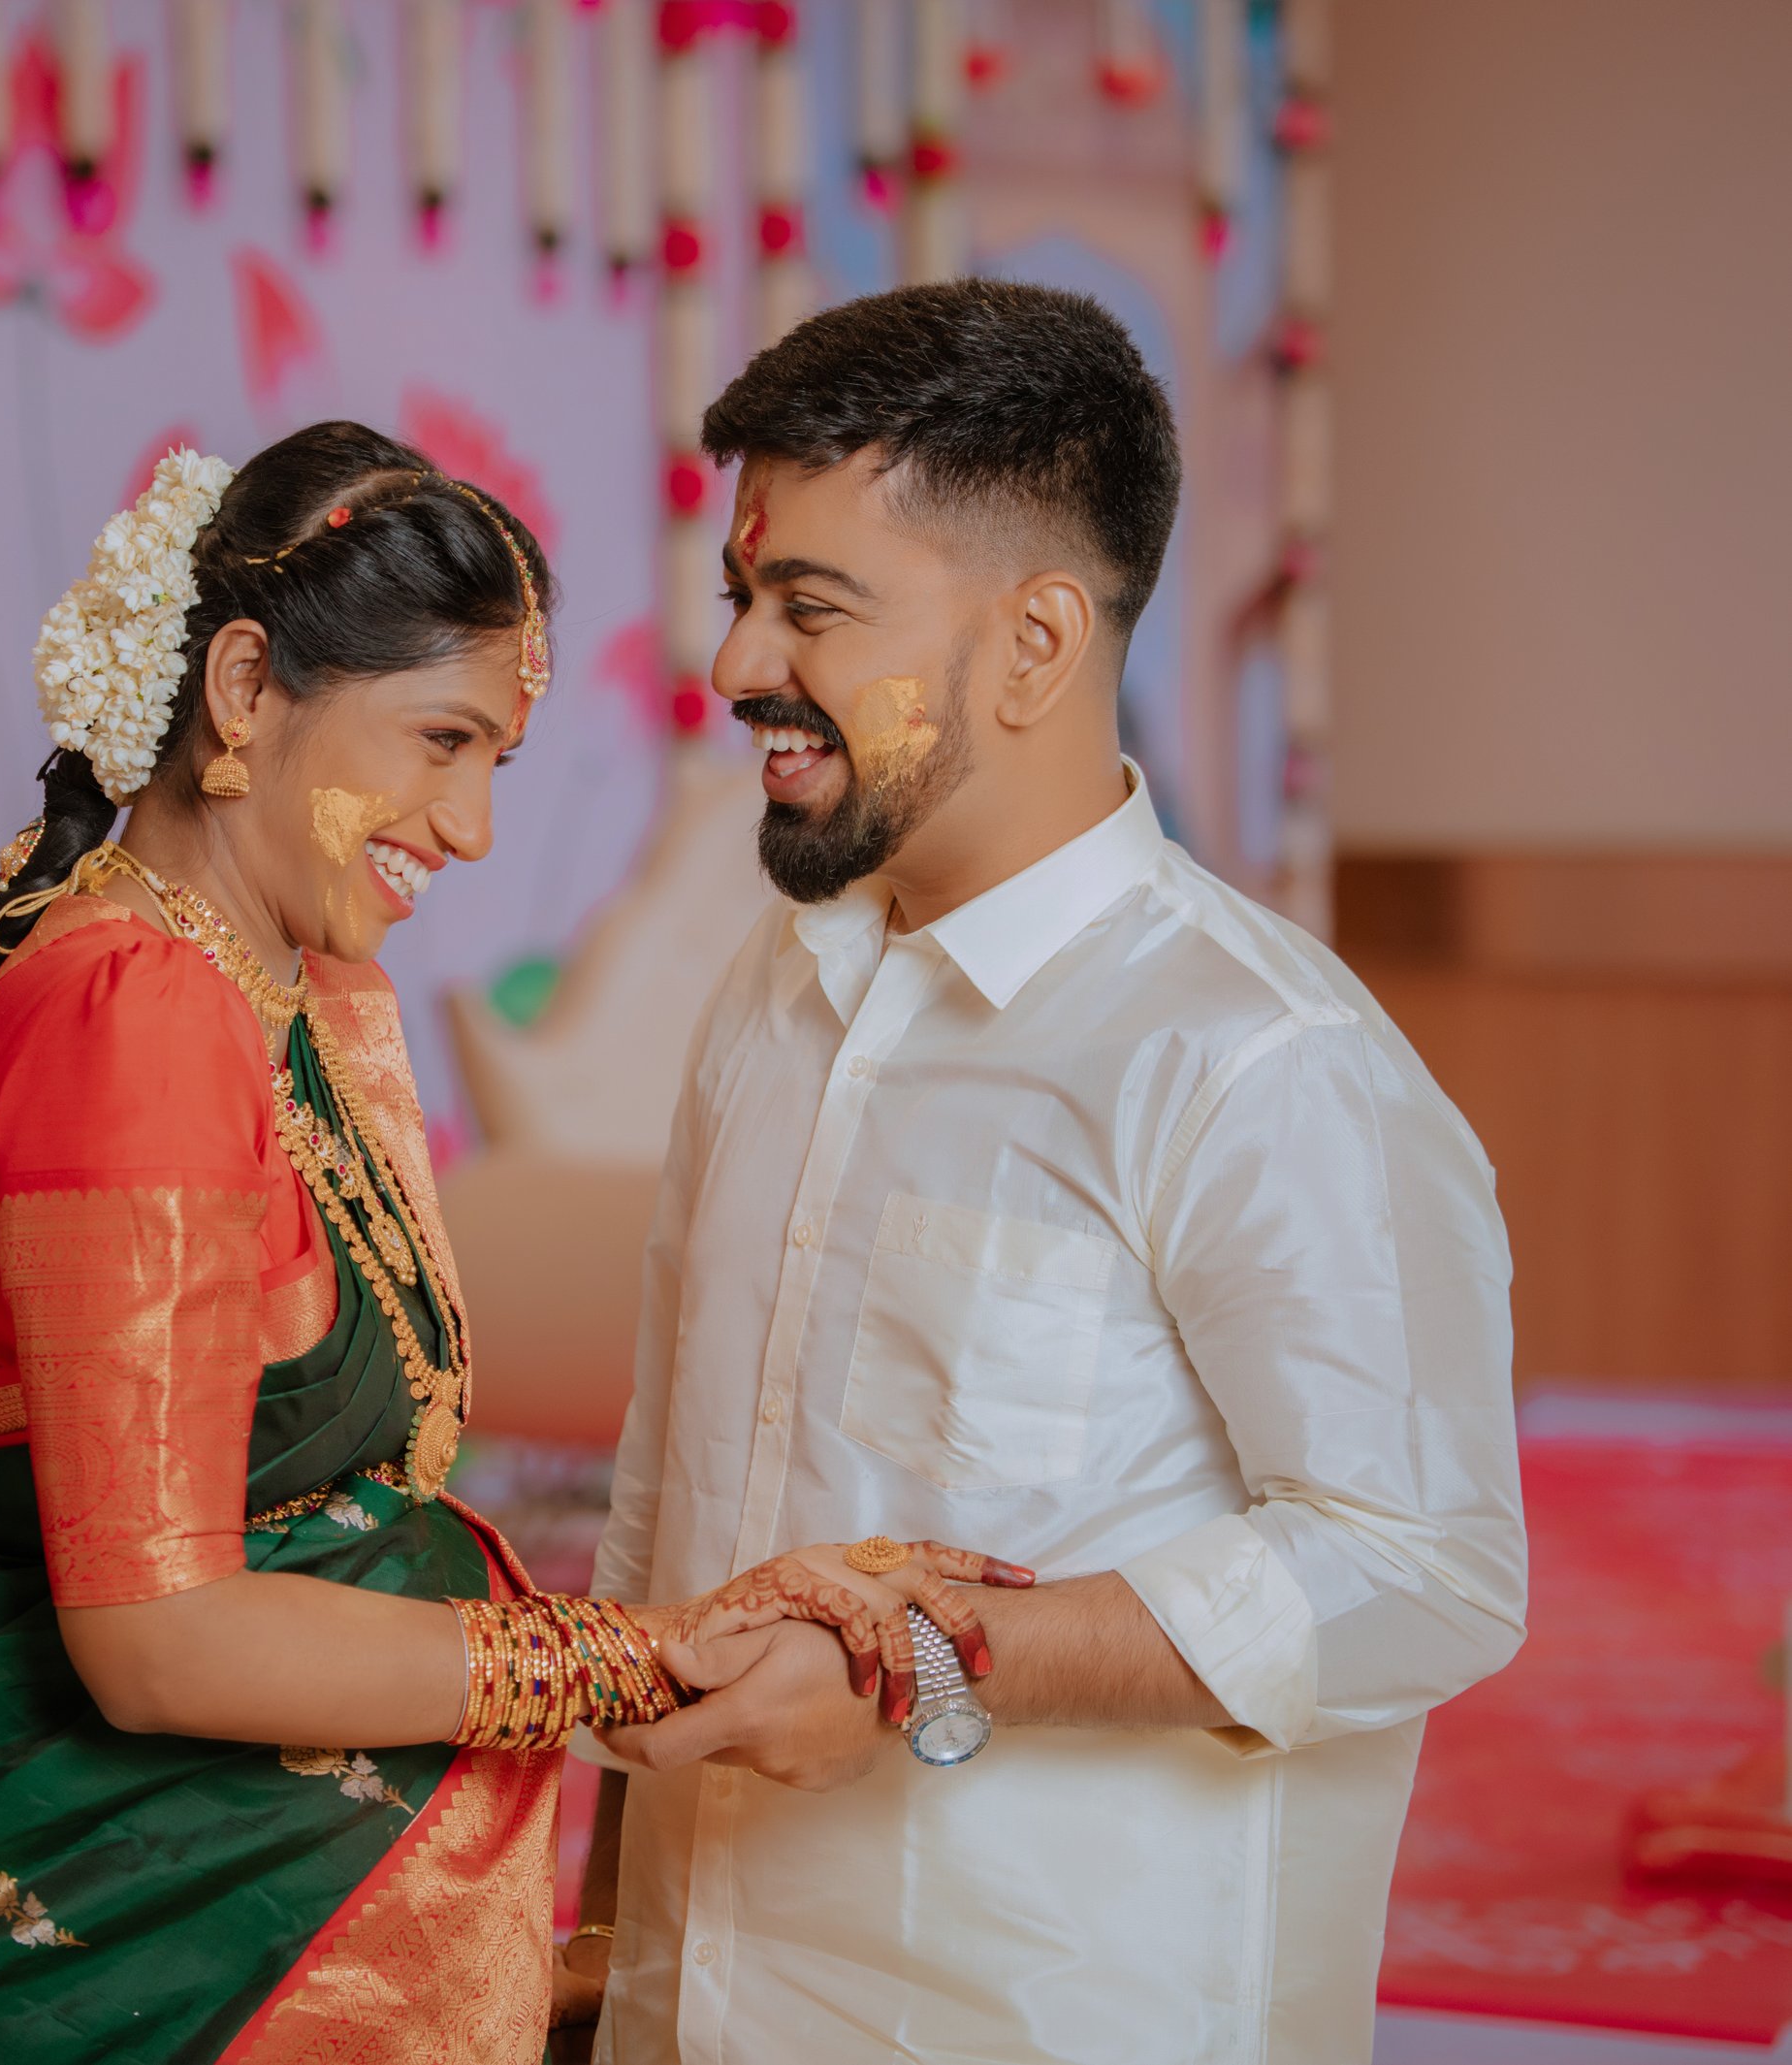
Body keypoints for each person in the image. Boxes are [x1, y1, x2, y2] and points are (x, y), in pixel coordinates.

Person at [0, 421, 1029, 2065]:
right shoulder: (134, 1012)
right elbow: (159, 1636)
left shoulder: (265, 998)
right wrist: (638, 1660)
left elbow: (327, 1514)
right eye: (440, 739)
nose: (468, 828)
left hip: (184, 1923)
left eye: (496, 762)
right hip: (65, 1974)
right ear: (244, 692)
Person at [565, 283, 1529, 2063]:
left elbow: (1427, 1566)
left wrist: (924, 1663)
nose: (736, 669)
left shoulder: (1258, 1060)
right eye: (740, 597)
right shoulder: (775, 995)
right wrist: (605, 1943)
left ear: (1035, 640)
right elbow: (671, 1510)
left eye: (813, 608)